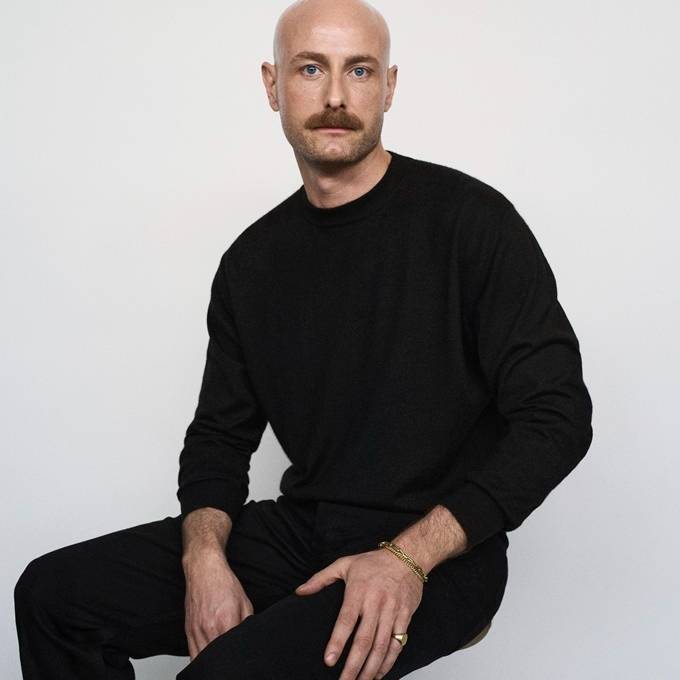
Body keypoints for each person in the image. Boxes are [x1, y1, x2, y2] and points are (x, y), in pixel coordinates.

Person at [13, 0, 594, 678]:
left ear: (390, 88)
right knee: (54, 597)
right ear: (273, 85)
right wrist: (204, 558)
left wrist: (407, 558)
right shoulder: (252, 262)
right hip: (304, 531)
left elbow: (557, 418)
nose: (336, 96)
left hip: (441, 556)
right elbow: (219, 438)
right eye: (311, 69)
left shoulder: (472, 223)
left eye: (361, 70)